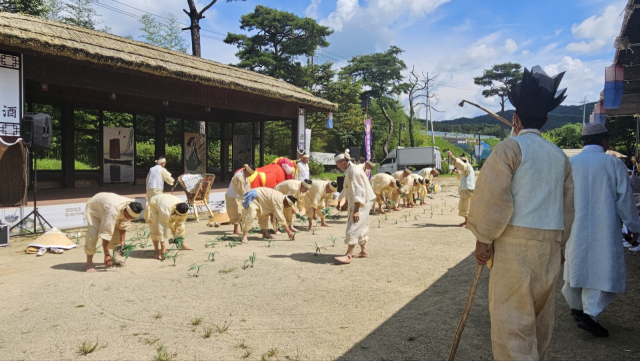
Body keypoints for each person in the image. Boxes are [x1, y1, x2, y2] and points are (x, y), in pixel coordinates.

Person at [466, 66, 574, 360]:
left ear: (515, 119)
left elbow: (492, 199)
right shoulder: (559, 156)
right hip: (549, 248)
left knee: (512, 325)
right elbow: (567, 207)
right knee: (540, 321)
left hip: (514, 248)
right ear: (548, 120)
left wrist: (483, 240)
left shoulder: (509, 149)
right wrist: (560, 245)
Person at [562, 122, 640, 338]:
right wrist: (634, 227)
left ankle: (577, 308)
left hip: (575, 227)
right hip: (603, 228)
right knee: (604, 269)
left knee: (577, 266)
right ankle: (590, 315)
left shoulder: (571, 163)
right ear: (604, 141)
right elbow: (625, 200)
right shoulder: (613, 164)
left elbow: (562, 199)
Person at [334, 150, 376, 264]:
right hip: (361, 199)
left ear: (343, 160)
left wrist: (356, 210)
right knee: (360, 225)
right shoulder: (349, 170)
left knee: (354, 223)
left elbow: (359, 190)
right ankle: (364, 251)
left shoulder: (354, 170)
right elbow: (347, 188)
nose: (337, 166)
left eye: (337, 163)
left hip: (363, 200)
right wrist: (344, 202)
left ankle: (348, 255)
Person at [84, 193, 144, 273]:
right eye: (131, 218)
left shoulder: (130, 205)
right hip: (95, 208)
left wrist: (122, 241)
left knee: (116, 232)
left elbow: (123, 225)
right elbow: (106, 233)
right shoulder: (112, 211)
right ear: (126, 213)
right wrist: (106, 254)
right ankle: (89, 263)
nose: (131, 219)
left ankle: (116, 258)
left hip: (109, 206)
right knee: (93, 235)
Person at [145, 193, 193, 259]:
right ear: (175, 209)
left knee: (182, 227)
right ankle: (156, 251)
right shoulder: (166, 210)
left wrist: (176, 232)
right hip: (156, 204)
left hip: (167, 201)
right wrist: (163, 247)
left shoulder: (185, 209)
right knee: (155, 227)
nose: (178, 216)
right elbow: (161, 227)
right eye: (176, 214)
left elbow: (180, 222)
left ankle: (182, 245)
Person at [447, 151, 475, 227]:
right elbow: (462, 174)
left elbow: (461, 165)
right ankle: (467, 221)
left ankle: (468, 222)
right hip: (468, 190)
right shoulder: (468, 168)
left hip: (467, 190)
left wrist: (452, 156)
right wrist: (456, 171)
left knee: (466, 206)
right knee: (465, 206)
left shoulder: (466, 166)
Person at [225, 164, 253, 235]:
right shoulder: (239, 177)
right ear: (246, 171)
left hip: (240, 197)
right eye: (249, 174)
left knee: (242, 213)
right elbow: (240, 190)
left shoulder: (246, 176)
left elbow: (248, 187)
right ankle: (236, 230)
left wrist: (250, 195)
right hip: (233, 197)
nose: (250, 175)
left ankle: (242, 228)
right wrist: (246, 198)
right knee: (236, 213)